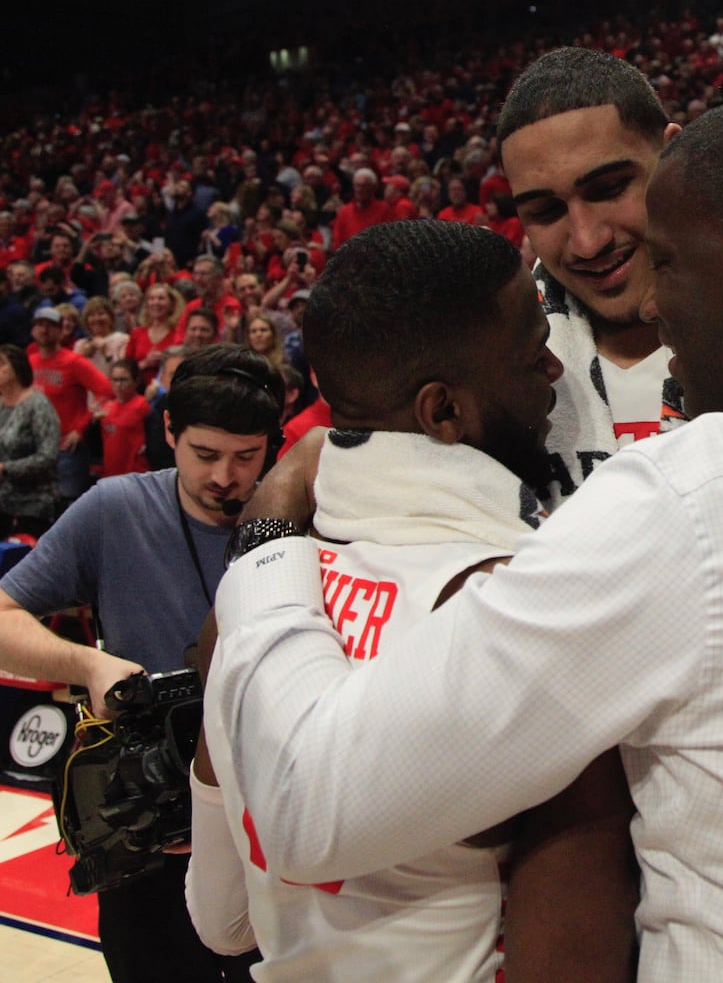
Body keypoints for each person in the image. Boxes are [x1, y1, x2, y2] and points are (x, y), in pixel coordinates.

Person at [210, 91, 723, 981]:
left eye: (666, 258)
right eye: (542, 210)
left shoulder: (674, 492)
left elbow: (302, 809)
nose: (647, 297)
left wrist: (269, 538)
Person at [193, 220, 636, 981]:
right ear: (441, 411)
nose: (555, 369)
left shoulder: (245, 605)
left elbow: (222, 921)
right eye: (532, 352)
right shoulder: (518, 615)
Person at [0, 344, 279, 982]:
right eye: (204, 455)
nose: (224, 478)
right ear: (169, 433)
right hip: (149, 834)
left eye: (247, 457)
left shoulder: (295, 518)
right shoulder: (115, 509)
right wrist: (91, 666)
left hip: (266, 829)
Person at [29, 306, 112, 505]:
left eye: (50, 326)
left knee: (68, 507)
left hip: (68, 449)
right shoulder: (30, 362)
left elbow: (107, 391)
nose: (44, 330)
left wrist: (80, 427)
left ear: (60, 330)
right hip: (36, 448)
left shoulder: (74, 361)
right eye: (40, 325)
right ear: (33, 331)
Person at [0, 343, 60, 536]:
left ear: (18, 368)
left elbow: (48, 456)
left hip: (33, 506)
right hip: (3, 504)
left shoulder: (38, 404)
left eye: (1, 364)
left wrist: (6, 469)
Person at [98, 357, 150, 477]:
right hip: (110, 473)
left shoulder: (143, 405)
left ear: (136, 381)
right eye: (115, 380)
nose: (118, 385)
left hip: (135, 474)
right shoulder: (106, 406)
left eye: (124, 380)